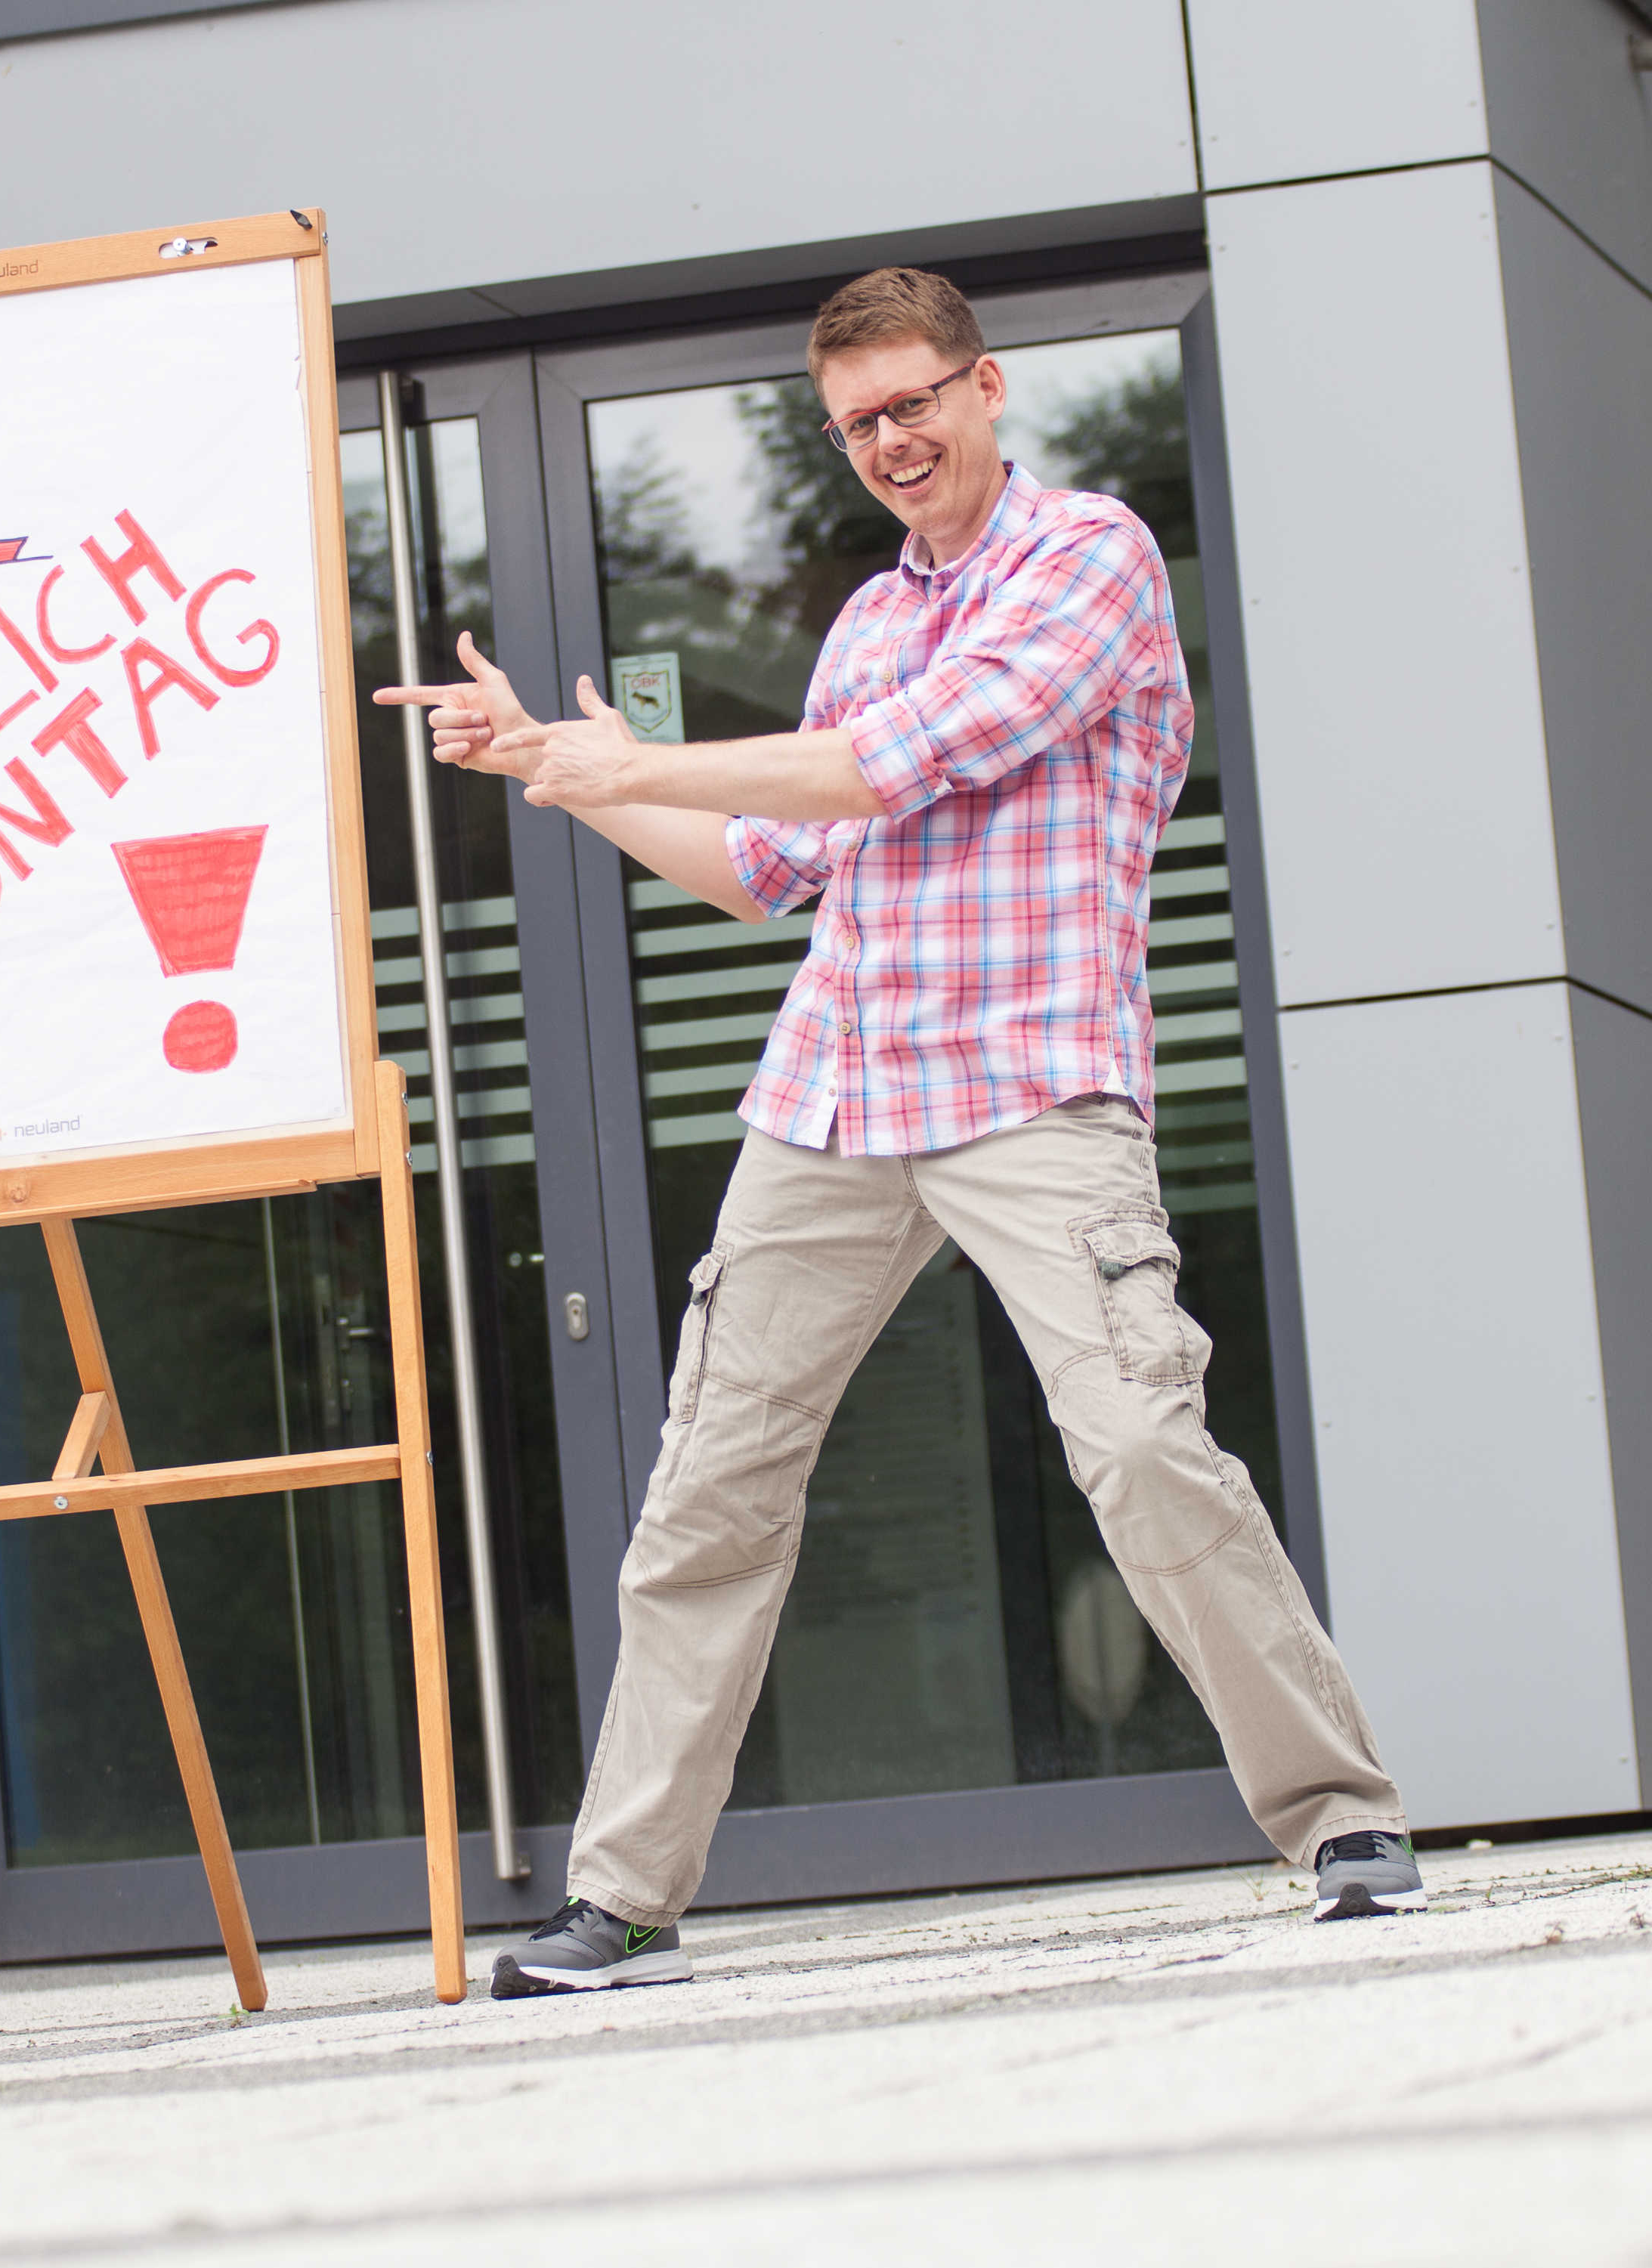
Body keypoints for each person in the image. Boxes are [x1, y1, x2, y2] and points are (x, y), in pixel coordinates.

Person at [376, 267, 1424, 1999]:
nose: (890, 441)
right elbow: (758, 871)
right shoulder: (865, 620)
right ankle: (623, 1898)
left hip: (1029, 1085)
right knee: (709, 1485)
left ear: (985, 387)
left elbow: (892, 763)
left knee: (1142, 1444)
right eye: (857, 422)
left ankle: (1342, 1821)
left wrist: (636, 761)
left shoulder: (1089, 558)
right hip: (832, 1100)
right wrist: (555, 770)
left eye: (913, 402)